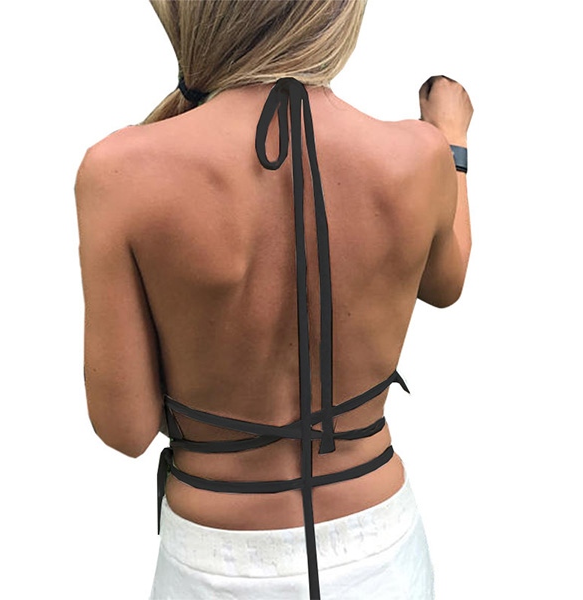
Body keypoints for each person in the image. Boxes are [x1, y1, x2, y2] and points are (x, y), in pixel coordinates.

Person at [74, 1, 473, 599]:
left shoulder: (118, 171)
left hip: (214, 555)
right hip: (379, 543)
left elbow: (125, 430)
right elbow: (446, 284)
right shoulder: (420, 154)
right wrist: (452, 140)